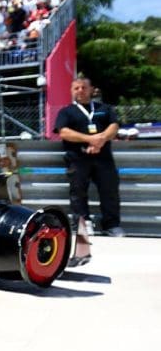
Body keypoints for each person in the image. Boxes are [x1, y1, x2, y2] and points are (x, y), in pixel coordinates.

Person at [53, 76, 124, 237]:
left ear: (91, 90)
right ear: (71, 91)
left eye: (84, 87)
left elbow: (114, 126)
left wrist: (101, 139)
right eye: (76, 88)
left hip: (103, 158)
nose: (80, 91)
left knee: (109, 191)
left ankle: (112, 225)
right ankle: (83, 224)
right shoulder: (66, 111)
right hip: (78, 158)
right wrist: (90, 139)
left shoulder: (104, 108)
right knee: (78, 193)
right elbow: (63, 132)